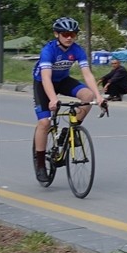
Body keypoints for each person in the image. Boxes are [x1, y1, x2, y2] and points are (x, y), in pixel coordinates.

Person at [32, 17, 105, 183]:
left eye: (72, 34)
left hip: (63, 81)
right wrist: (52, 99)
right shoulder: (48, 51)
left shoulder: (77, 50)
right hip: (44, 83)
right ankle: (41, 164)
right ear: (57, 34)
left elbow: (87, 74)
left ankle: (69, 131)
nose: (69, 37)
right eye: (65, 34)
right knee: (44, 123)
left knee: (88, 96)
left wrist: (99, 96)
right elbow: (46, 77)